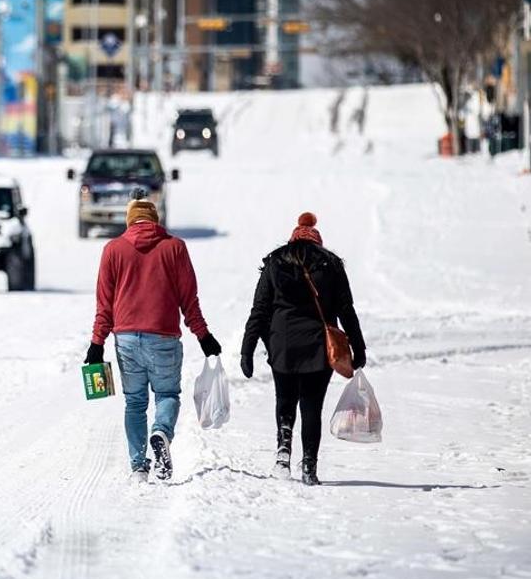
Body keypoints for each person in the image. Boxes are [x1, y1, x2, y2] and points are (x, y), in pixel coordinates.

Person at [86, 196, 222, 482]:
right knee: (167, 395)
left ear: (129, 220)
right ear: (154, 220)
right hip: (163, 337)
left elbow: (104, 304)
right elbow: (189, 300)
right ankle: (161, 431)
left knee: (134, 403)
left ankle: (138, 467)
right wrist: (204, 336)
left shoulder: (113, 249)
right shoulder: (175, 248)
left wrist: (97, 344)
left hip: (125, 340)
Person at [239, 213, 366, 486]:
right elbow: (346, 310)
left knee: (285, 400)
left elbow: (260, 310)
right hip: (319, 347)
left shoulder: (275, 262)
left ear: (293, 238)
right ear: (317, 241)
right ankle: (309, 465)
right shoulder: (331, 265)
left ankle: (283, 454)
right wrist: (358, 346)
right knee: (312, 406)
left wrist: (247, 349)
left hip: (282, 344)